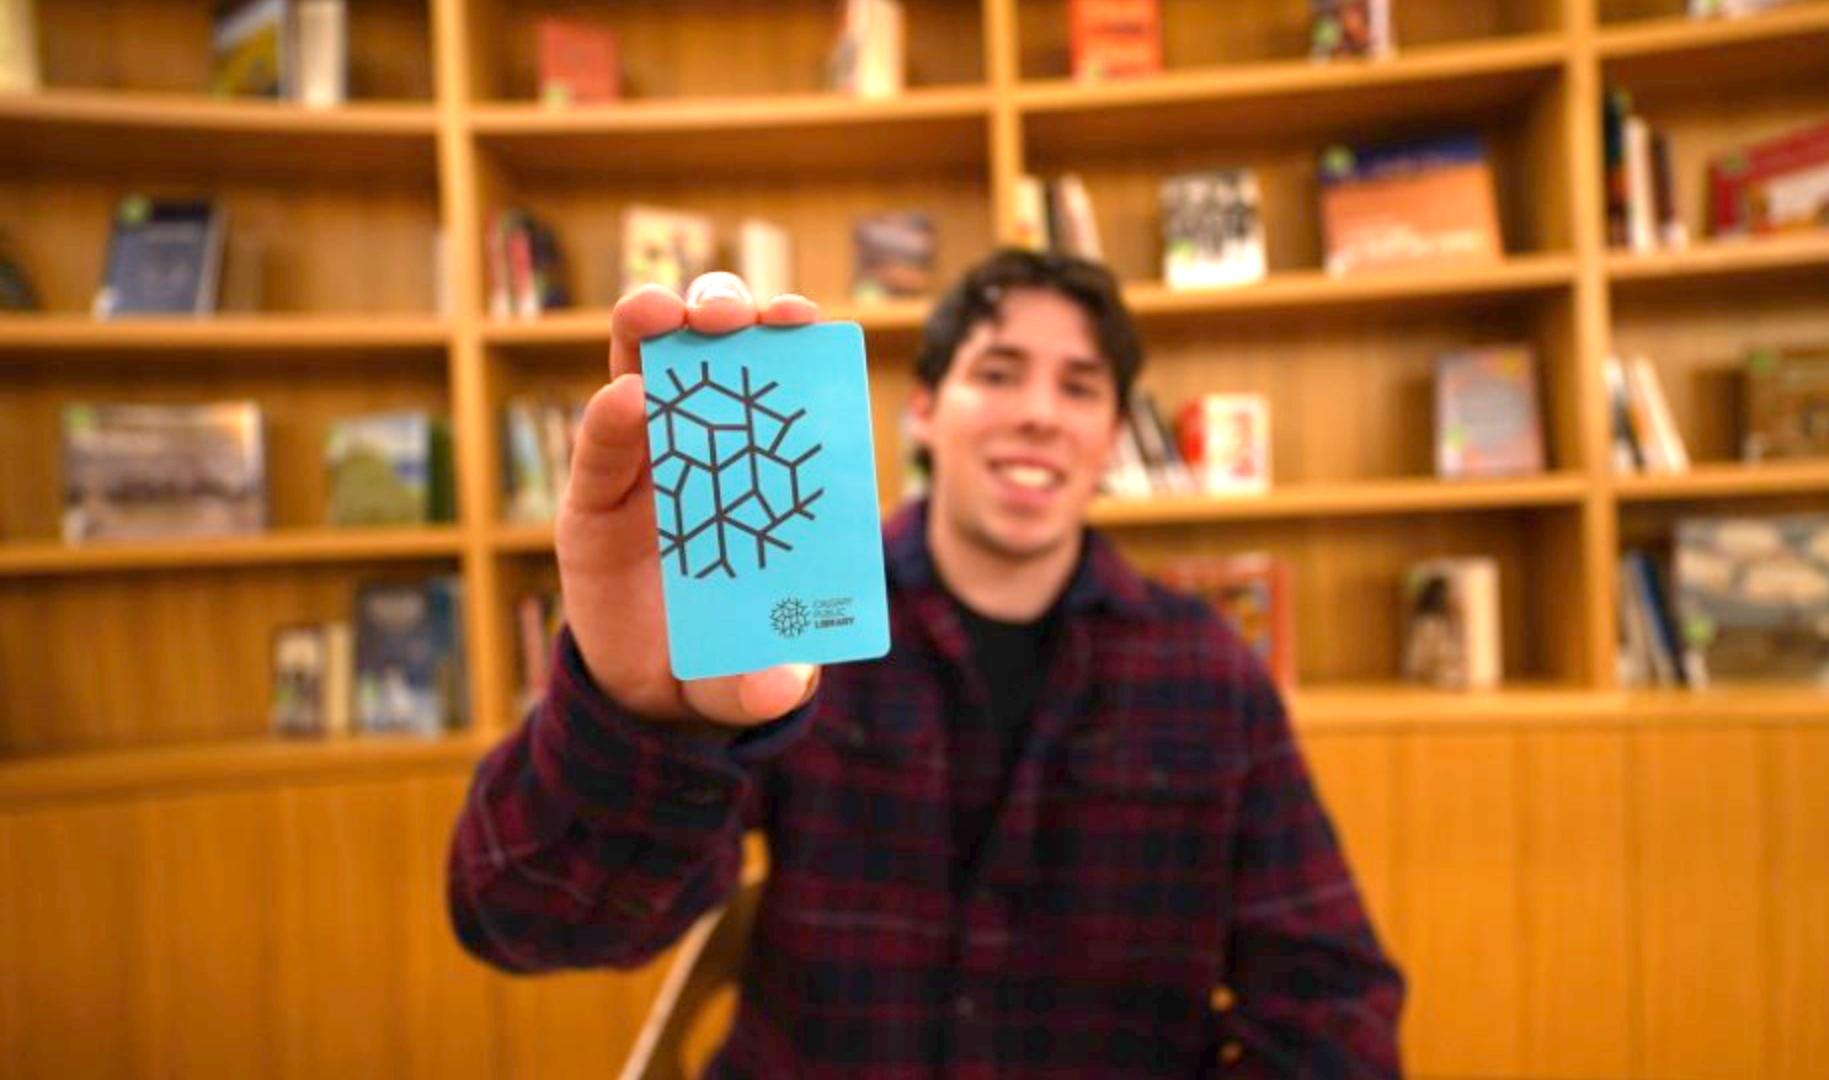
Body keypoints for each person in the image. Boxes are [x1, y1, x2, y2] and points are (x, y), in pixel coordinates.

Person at [448, 250, 1405, 1077]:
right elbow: (523, 922)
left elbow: (1332, 998)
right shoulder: (791, 627)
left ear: (1112, 438)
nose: (1038, 413)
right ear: (920, 411)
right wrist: (634, 718)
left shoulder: (1205, 670)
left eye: (1079, 387)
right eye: (998, 371)